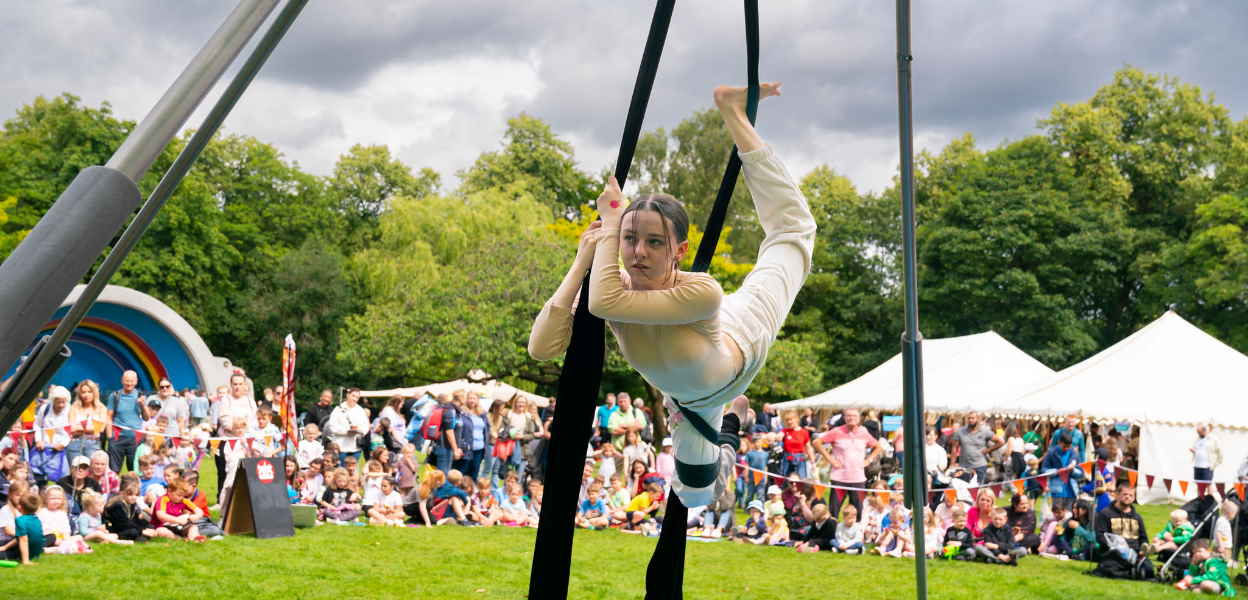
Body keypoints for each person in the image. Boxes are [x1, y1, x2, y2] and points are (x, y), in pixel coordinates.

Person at [529, 82, 815, 510]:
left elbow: (606, 304)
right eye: (628, 239)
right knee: (696, 496)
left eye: (655, 243)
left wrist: (610, 227)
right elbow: (542, 347)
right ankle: (731, 425)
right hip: (687, 397)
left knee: (793, 232)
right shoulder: (613, 287)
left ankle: (734, 112)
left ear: (680, 251)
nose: (638, 252)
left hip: (741, 337)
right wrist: (581, 260)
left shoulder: (702, 291)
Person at [812, 407, 881, 517]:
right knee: (834, 511)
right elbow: (816, 442)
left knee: (858, 512)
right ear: (844, 418)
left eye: (854, 416)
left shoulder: (863, 432)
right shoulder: (836, 431)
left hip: (858, 479)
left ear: (859, 418)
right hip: (839, 478)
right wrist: (830, 459)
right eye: (848, 416)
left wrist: (869, 460)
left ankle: (857, 533)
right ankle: (833, 533)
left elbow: (878, 446)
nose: (851, 418)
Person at [107, 370, 148, 473]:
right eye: (126, 381)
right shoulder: (115, 396)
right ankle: (114, 488)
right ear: (122, 381)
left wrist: (142, 405)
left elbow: (147, 418)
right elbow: (108, 417)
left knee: (135, 470)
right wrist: (109, 437)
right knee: (114, 471)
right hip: (117, 438)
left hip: (135, 438)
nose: (129, 383)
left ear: (136, 382)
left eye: (131, 381)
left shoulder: (141, 395)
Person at [949, 411, 1003, 484]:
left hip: (980, 466)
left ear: (977, 419)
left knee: (978, 490)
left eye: (973, 418)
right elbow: (954, 448)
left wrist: (988, 450)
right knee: (964, 490)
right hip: (965, 466)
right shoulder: (960, 431)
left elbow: (1000, 442)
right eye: (969, 418)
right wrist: (952, 464)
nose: (970, 420)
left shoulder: (984, 431)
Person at [66, 380, 108, 465]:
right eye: (83, 392)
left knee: (92, 472)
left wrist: (80, 427)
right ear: (79, 394)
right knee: (76, 472)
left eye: (89, 392)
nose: (86, 395)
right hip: (75, 443)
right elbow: (72, 428)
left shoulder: (101, 408)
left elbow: (100, 428)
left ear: (94, 393)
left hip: (93, 444)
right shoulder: (74, 407)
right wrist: (91, 427)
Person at [327, 389, 369, 464]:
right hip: (341, 447)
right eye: (353, 396)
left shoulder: (360, 410)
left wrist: (359, 431)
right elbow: (332, 426)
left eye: (357, 397)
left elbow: (366, 426)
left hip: (356, 447)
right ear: (347, 395)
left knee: (353, 470)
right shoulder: (338, 409)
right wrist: (346, 432)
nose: (355, 399)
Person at [2, 492, 44, 563]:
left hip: (24, 553)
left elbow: (23, 540)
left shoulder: (20, 520)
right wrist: (5, 547)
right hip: (35, 552)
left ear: (20, 507)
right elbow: (21, 537)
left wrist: (25, 560)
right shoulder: (37, 520)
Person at [1042, 434, 1079, 512]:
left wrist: (1073, 470)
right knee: (1056, 515)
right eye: (1064, 446)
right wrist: (1056, 471)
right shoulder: (1051, 453)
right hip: (1056, 490)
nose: (1066, 448)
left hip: (1071, 490)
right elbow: (1044, 470)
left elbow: (1081, 472)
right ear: (1059, 442)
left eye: (1068, 446)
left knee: (1069, 516)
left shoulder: (1074, 453)